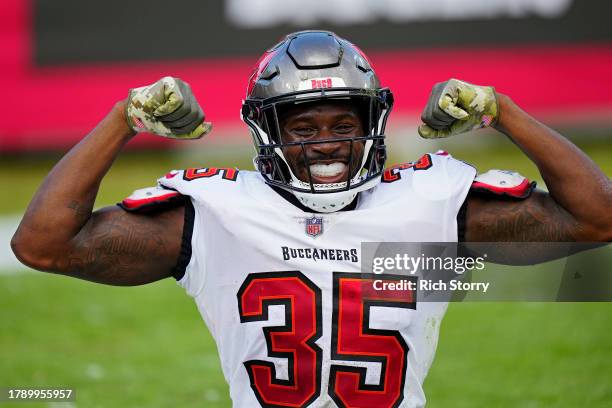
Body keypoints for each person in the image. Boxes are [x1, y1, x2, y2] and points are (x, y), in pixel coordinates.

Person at [10, 30, 611, 407]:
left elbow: (596, 218)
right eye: (303, 126)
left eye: (343, 124)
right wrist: (124, 118)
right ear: (268, 132)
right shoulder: (218, 212)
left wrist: (502, 112)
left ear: (371, 125)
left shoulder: (430, 201)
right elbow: (43, 245)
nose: (325, 143)